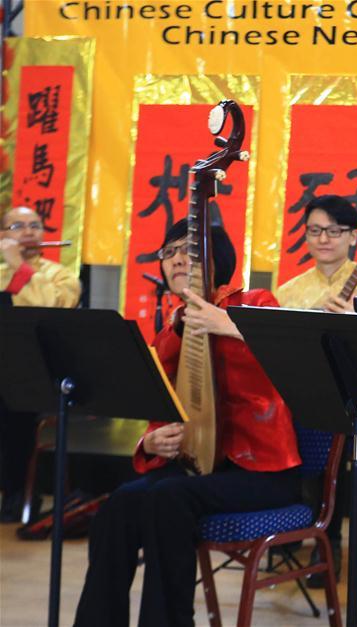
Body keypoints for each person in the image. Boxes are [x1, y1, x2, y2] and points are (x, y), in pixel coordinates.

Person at [74, 219, 302, 627]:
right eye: (168, 252)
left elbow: (292, 360)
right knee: (121, 504)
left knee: (169, 499)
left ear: (219, 260)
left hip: (262, 471)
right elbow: (162, 405)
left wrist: (227, 325)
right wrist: (151, 443)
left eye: (189, 250)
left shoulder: (257, 303)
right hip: (198, 466)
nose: (177, 259)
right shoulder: (172, 325)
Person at [276, 194, 357, 587]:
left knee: (331, 427)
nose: (323, 239)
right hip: (310, 400)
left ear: (353, 236)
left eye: (334, 231)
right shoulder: (289, 291)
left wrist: (356, 324)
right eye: (315, 230)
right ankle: (297, 524)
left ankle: (327, 539)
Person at [0, 206, 81, 522]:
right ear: (3, 234)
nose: (29, 231)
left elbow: (47, 306)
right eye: (18, 225)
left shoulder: (60, 275)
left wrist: (17, 264)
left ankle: (17, 494)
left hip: (36, 373)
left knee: (15, 408)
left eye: (35, 225)